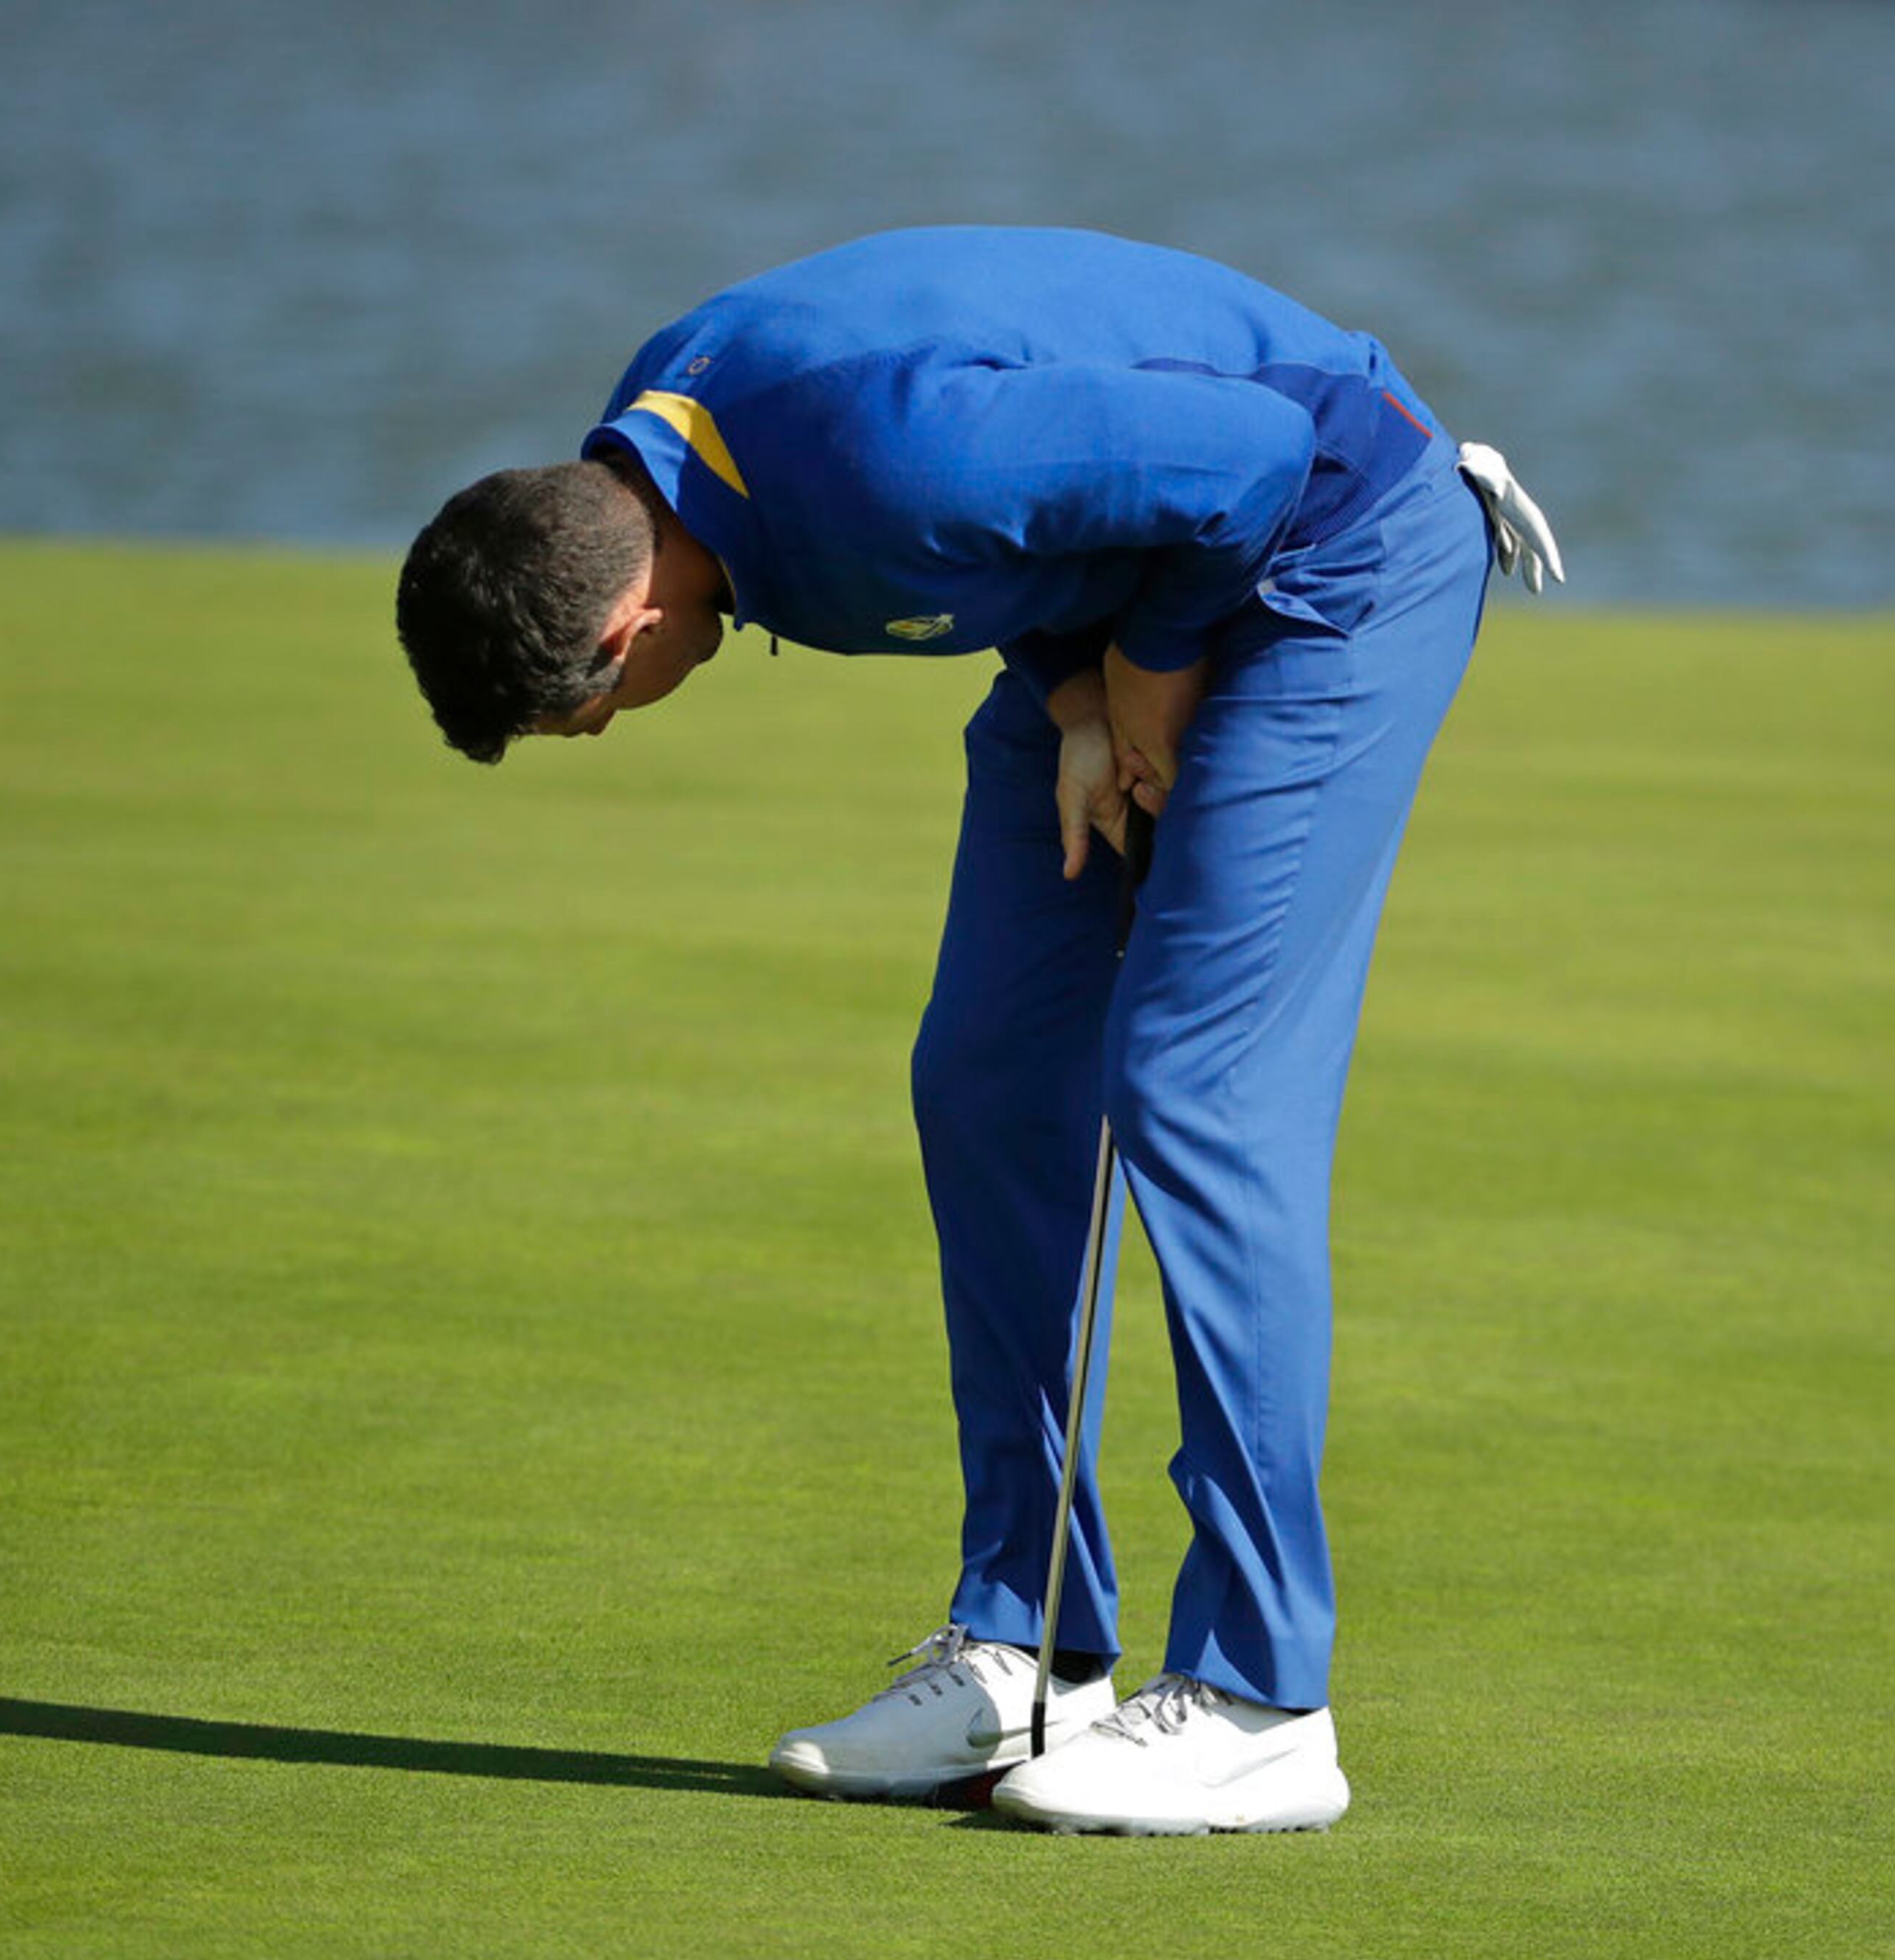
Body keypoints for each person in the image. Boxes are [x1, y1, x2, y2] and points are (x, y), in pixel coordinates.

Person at [394, 226, 1559, 1836]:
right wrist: (1082, 702)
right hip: (1143, 591)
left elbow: (1250, 456)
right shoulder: (666, 463)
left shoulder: (881, 463)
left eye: (572, 716)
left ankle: (1261, 1697)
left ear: (622, 631)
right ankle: (1032, 1647)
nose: (592, 734)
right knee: (991, 1075)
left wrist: (1148, 680)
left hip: (1336, 549)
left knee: (1196, 1084)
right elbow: (1013, 522)